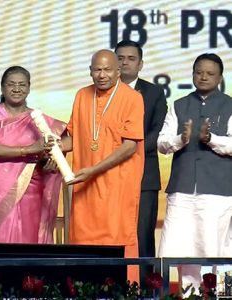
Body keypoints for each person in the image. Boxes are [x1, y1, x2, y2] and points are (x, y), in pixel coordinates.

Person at [61, 50, 144, 282]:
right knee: (83, 243)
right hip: (85, 189)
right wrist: (54, 146)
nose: (102, 75)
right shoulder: (81, 95)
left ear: (118, 71)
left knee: (118, 242)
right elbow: (75, 138)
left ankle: (124, 292)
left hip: (117, 188)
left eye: (107, 70)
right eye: (97, 70)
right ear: (90, 71)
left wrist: (94, 170)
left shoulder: (132, 98)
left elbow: (130, 147)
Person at [157, 53, 232, 292]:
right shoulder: (179, 105)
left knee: (214, 247)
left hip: (217, 190)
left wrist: (210, 139)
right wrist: (182, 138)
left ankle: (218, 294)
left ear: (220, 77)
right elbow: (162, 143)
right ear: (192, 74)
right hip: (182, 189)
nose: (203, 77)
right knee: (182, 247)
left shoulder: (230, 105)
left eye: (210, 74)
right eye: (199, 72)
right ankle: (189, 294)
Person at [0, 66, 66, 243]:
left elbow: (66, 141)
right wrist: (29, 149)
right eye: (11, 84)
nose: (16, 89)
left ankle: (27, 272)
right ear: (3, 88)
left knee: (27, 238)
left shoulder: (36, 118)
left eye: (22, 85)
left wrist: (51, 158)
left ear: (28, 87)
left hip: (31, 186)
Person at [115, 40, 167, 283]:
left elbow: (157, 133)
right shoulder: (103, 92)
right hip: (107, 176)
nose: (124, 62)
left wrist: (125, 153)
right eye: (120, 58)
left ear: (141, 64)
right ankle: (110, 285)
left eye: (130, 58)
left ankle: (145, 289)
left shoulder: (154, 93)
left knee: (142, 234)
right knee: (111, 235)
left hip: (143, 176)